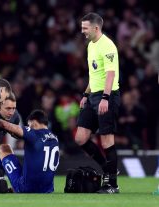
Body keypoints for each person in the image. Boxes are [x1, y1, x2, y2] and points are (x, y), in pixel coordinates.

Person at [75, 12, 121, 193]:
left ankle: (112, 185)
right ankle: (108, 168)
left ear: (96, 28)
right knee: (80, 138)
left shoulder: (108, 46)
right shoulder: (90, 46)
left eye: (85, 28)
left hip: (106, 96)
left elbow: (110, 74)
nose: (82, 31)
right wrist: (85, 95)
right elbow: (94, 74)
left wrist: (105, 98)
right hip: (93, 95)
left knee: (107, 140)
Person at [0, 109, 60, 193]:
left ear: (33, 123)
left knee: (3, 148)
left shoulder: (34, 133)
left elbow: (4, 125)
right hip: (47, 190)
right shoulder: (54, 139)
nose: (28, 127)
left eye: (29, 125)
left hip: (26, 188)